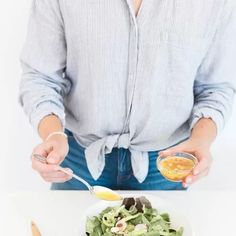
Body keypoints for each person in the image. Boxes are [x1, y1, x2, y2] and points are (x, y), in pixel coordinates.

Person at [19, 0, 236, 190]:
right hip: (76, 159)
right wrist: (52, 135)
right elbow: (41, 77)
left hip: (167, 163)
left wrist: (201, 140)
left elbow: (216, 87)